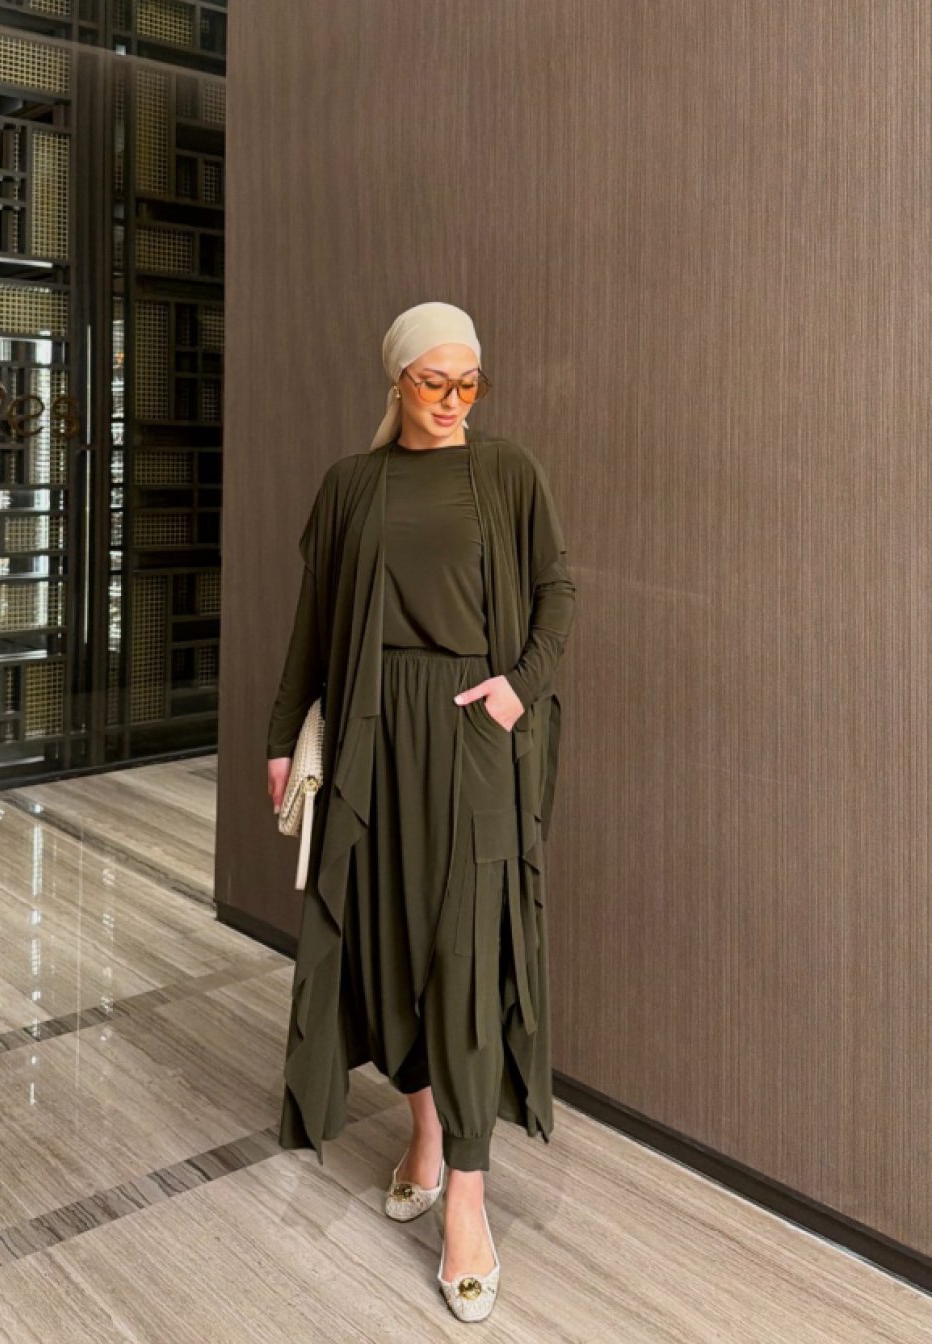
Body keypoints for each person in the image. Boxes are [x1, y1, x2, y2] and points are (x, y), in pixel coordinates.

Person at [266, 301, 575, 1322]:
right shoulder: (351, 486)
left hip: (471, 735)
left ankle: (468, 1207)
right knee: (391, 945)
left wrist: (518, 687)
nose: (452, 401)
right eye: (433, 382)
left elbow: (557, 589)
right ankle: (426, 1132)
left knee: (468, 959)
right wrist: (281, 737)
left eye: (468, 383)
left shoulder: (507, 472)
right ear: (396, 379)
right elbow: (313, 627)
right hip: (372, 737)